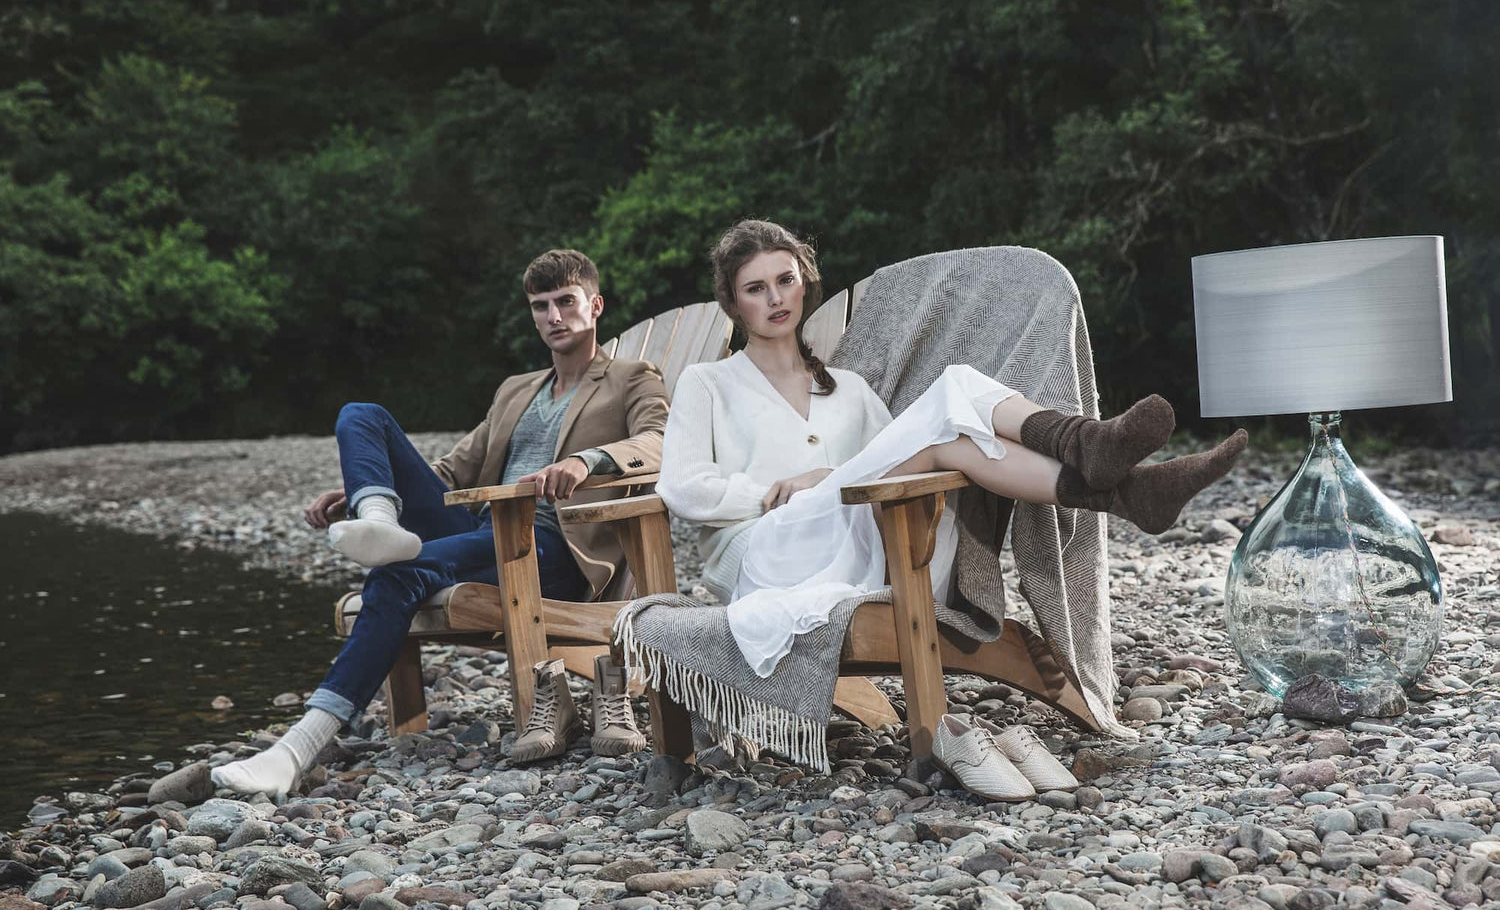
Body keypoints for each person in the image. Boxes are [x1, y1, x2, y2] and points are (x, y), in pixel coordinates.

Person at [655, 219, 1246, 793]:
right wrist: (772, 490)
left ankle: (1120, 482)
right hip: (770, 557)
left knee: (952, 438)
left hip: (865, 554)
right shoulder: (709, 382)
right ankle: (1111, 478)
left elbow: (911, 460)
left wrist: (831, 478)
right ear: (734, 303)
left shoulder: (850, 391)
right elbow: (680, 487)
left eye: (785, 280)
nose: (775, 298)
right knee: (953, 397)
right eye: (755, 289)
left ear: (805, 282)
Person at [211, 249, 668, 797]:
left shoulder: (631, 377)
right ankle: (377, 515)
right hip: (483, 532)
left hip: (550, 549)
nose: (553, 317)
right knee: (361, 414)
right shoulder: (515, 390)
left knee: (397, 573)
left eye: (566, 303)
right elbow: (452, 471)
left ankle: (297, 749)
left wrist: (585, 461)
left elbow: (658, 441)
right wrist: (361, 489)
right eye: (540, 307)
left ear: (594, 306)